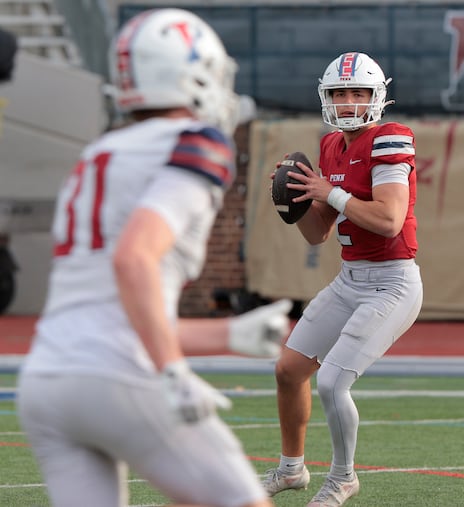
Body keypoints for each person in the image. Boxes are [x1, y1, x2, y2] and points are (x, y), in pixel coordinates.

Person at [15, 9, 293, 507]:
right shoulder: (196, 141)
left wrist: (225, 335)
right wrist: (172, 370)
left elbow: (102, 312)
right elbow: (133, 259)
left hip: (45, 381)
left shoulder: (100, 152)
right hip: (117, 374)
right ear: (194, 74)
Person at [262, 51, 423, 507]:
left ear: (378, 97)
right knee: (289, 370)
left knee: (332, 381)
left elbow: (390, 220)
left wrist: (327, 191)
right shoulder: (331, 145)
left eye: (358, 92)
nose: (349, 101)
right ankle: (292, 469)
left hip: (393, 282)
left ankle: (343, 478)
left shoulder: (391, 138)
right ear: (325, 97)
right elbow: (317, 234)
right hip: (350, 278)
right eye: (339, 92)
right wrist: (292, 200)